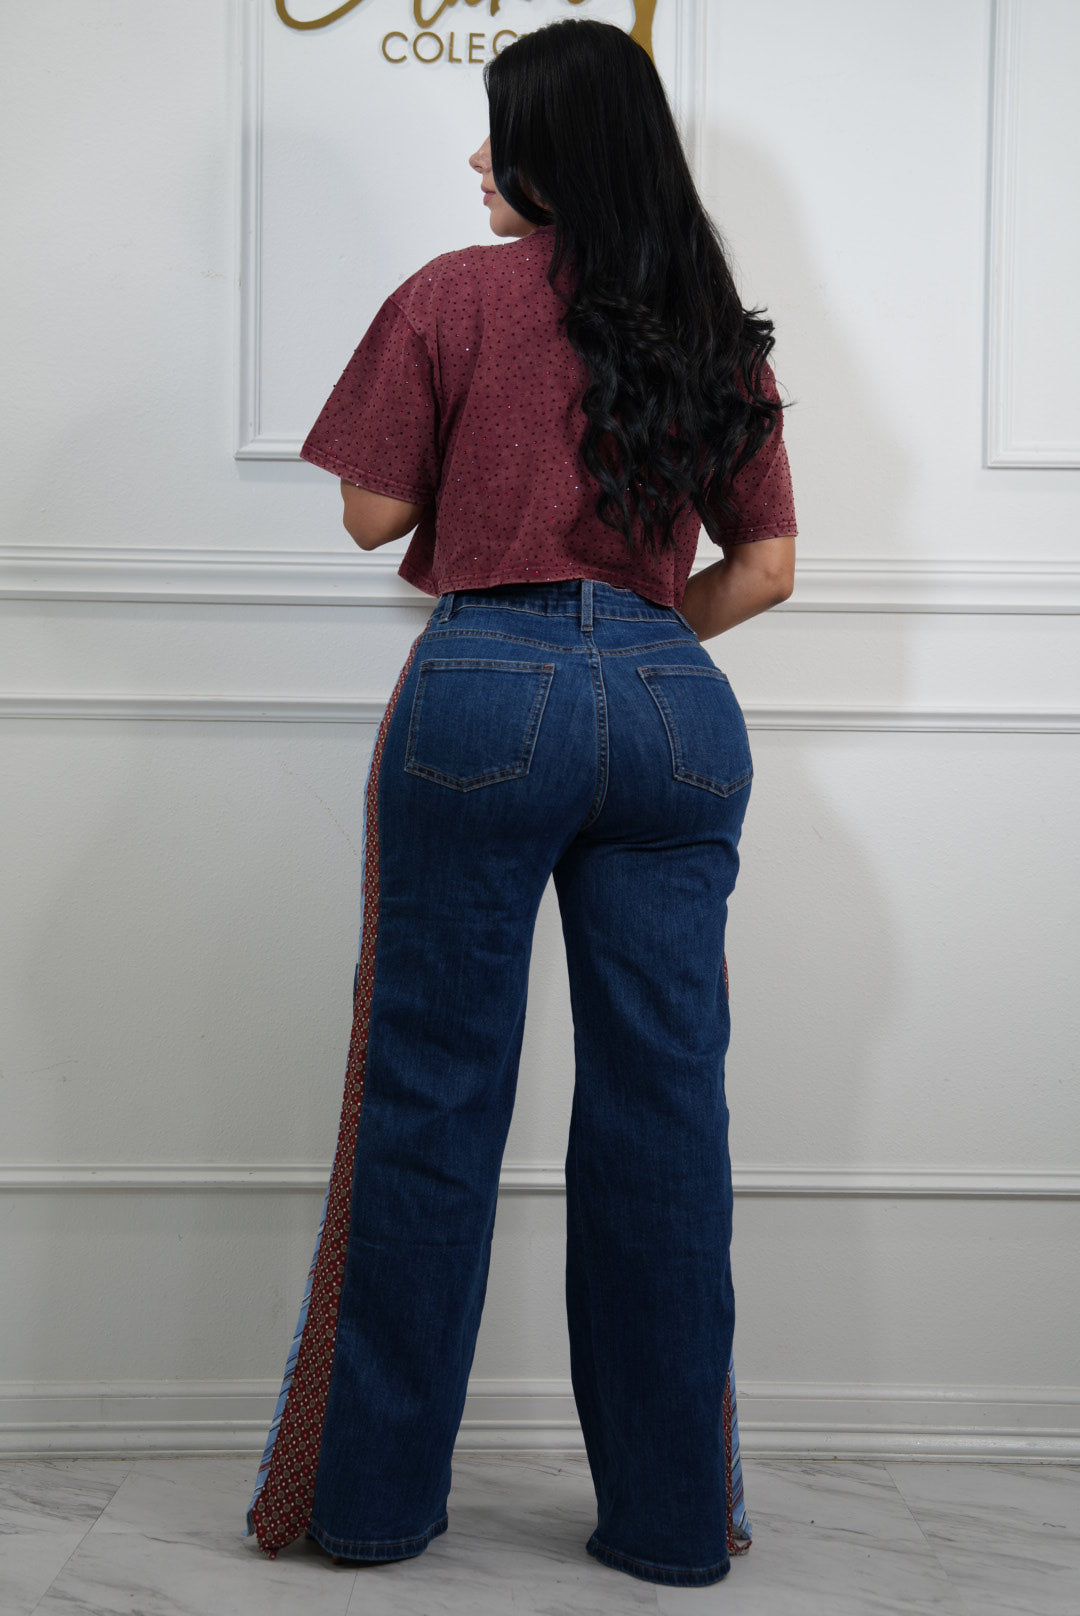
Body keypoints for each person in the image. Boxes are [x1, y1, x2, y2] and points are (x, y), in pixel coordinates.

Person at [242, 17, 797, 1591]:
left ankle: (370, 1511)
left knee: (432, 1098)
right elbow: (766, 567)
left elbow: (373, 516)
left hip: (484, 695)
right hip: (678, 716)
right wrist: (636, 647)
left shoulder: (452, 295)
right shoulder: (711, 326)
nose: (478, 157)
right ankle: (674, 1528)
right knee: (666, 1120)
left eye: (501, 131)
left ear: (556, 151)